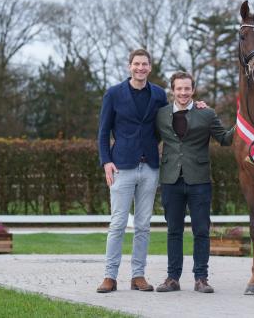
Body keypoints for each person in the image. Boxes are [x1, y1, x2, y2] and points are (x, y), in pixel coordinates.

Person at [96, 49, 206, 293]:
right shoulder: (113, 94)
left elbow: (172, 118)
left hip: (150, 167)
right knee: (118, 224)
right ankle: (110, 276)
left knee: (143, 225)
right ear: (129, 66)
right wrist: (106, 161)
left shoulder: (157, 94)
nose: (140, 68)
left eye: (144, 64)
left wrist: (198, 108)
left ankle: (138, 275)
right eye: (136, 64)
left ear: (150, 67)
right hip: (121, 167)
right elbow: (103, 131)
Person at [154, 71, 234, 294]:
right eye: (179, 88)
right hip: (170, 180)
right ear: (173, 90)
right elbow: (150, 139)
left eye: (187, 88)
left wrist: (243, 122)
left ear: (193, 90)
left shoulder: (206, 113)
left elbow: (225, 139)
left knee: (201, 230)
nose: (183, 92)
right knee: (173, 231)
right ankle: (172, 278)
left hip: (199, 180)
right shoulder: (160, 114)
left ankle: (201, 278)